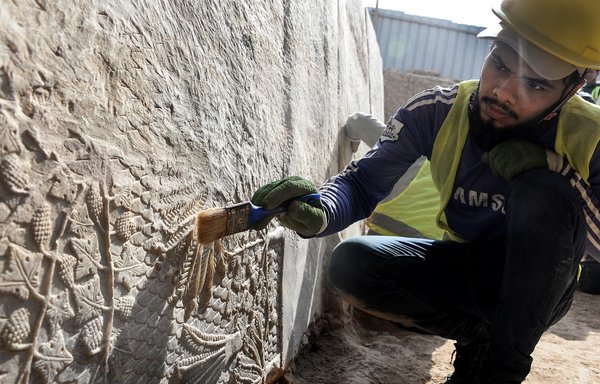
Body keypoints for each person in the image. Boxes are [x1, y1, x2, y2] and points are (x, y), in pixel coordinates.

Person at [249, 0, 600, 382]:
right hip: (464, 266)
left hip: (544, 289)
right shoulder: (435, 110)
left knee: (541, 190)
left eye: (536, 84)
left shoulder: (590, 135)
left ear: (573, 88)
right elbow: (364, 182)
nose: (504, 92)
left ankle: (499, 370)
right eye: (500, 63)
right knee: (352, 263)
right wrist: (322, 211)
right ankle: (480, 337)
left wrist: (556, 171)